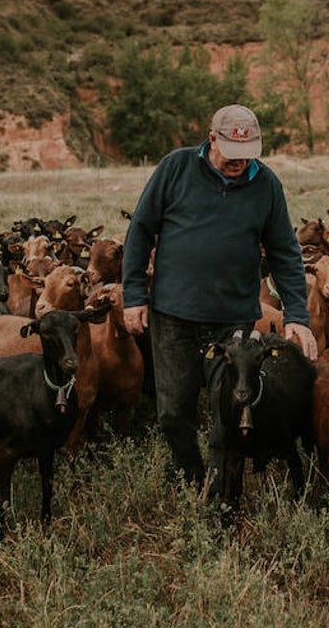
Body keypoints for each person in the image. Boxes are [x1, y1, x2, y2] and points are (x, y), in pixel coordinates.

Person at [121, 103, 317, 500]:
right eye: (231, 154)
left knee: (228, 411)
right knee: (173, 412)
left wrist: (297, 314)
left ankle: (218, 496)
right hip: (174, 316)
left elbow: (284, 252)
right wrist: (133, 295)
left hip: (233, 323)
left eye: (248, 156)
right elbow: (140, 230)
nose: (239, 163)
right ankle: (192, 477)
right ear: (212, 139)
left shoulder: (267, 186)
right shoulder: (175, 169)